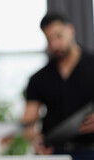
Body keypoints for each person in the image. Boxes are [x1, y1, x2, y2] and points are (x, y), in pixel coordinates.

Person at [22, 11, 94, 160]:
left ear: (70, 30)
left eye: (58, 36)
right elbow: (28, 124)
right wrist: (34, 138)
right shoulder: (39, 78)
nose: (54, 44)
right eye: (49, 39)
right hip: (56, 153)